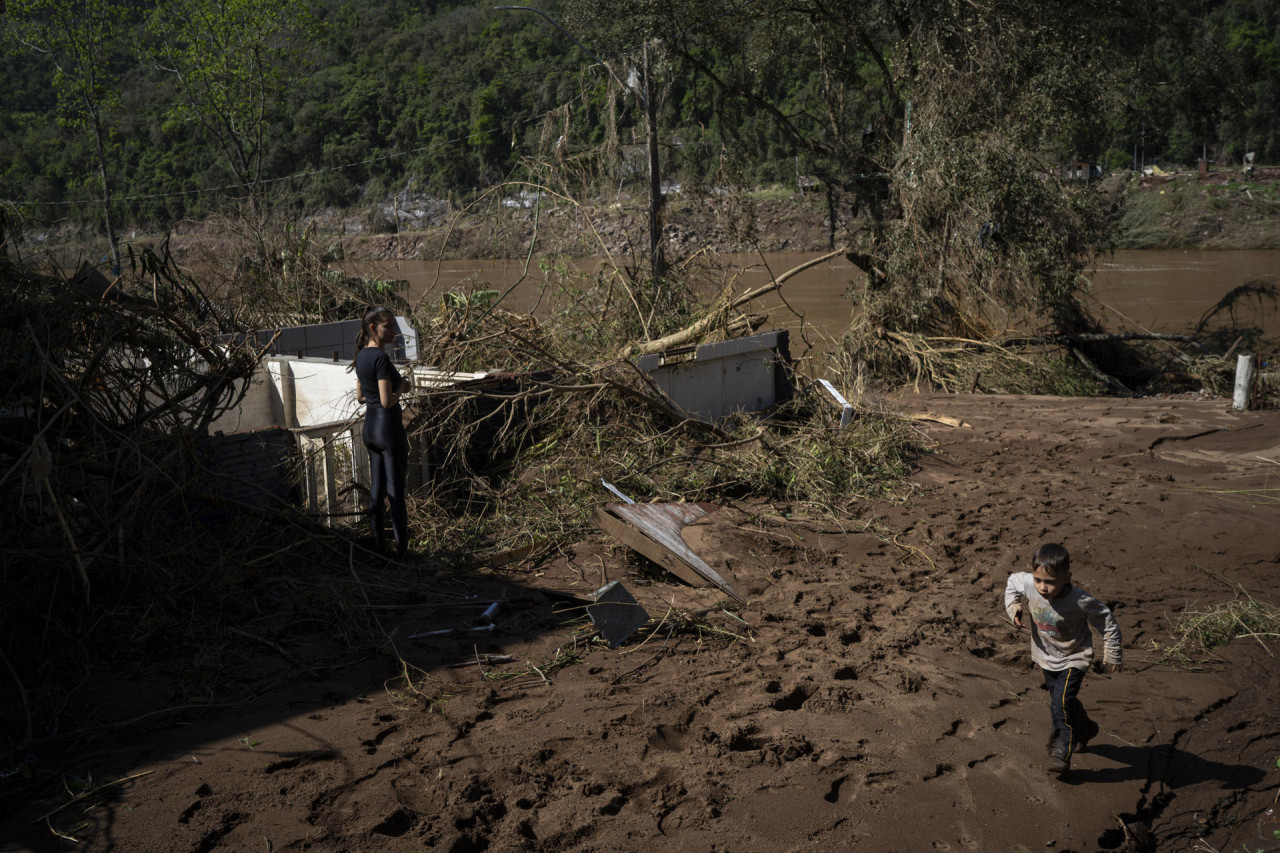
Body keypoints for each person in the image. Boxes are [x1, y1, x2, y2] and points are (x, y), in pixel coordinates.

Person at [1004, 543, 1122, 776]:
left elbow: (1107, 622)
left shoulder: (1079, 600)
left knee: (1059, 704)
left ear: (1067, 577)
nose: (1043, 588)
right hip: (1046, 657)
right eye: (1039, 580)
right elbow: (1012, 583)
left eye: (1050, 582)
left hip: (1075, 657)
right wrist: (1014, 607)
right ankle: (1086, 728)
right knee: (1064, 701)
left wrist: (1113, 654)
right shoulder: (1029, 583)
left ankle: (1061, 751)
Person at [350, 306, 413, 556]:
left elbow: (359, 396)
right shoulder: (380, 359)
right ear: (373, 329)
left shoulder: (361, 356)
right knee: (395, 491)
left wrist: (378, 397)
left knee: (377, 490)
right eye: (388, 326)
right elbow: (388, 402)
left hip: (370, 429)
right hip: (387, 428)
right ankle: (402, 550)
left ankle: (378, 544)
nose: (394, 331)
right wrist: (402, 390)